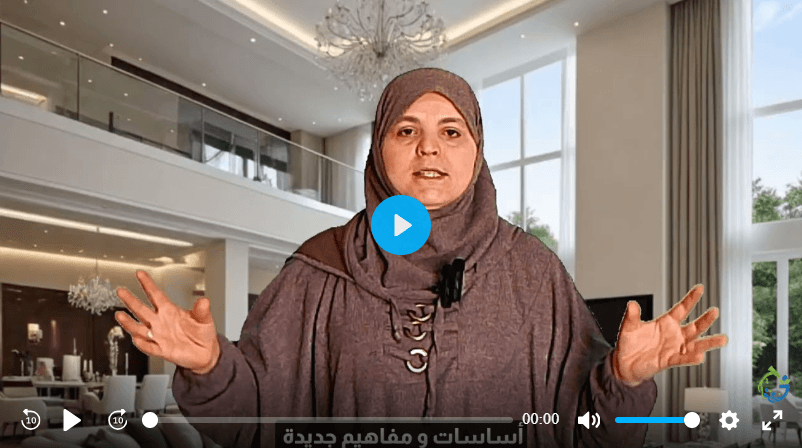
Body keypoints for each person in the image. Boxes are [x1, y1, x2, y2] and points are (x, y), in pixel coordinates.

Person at [115, 68, 728, 448]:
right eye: (406, 130)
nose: (429, 147)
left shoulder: (533, 272)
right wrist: (211, 366)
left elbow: (586, 429)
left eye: (451, 131)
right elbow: (254, 418)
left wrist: (624, 378)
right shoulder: (318, 268)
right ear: (379, 151)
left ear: (477, 152)